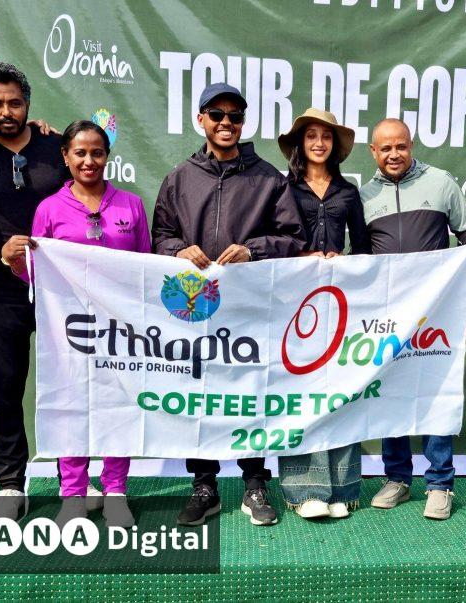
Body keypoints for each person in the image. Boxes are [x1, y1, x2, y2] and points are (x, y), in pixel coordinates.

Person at [152, 82, 306, 527]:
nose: (226, 123)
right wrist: (179, 250)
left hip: (251, 308)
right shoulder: (179, 178)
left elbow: (294, 238)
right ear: (200, 119)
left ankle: (255, 483)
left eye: (235, 116)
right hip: (195, 309)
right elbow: (160, 237)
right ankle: (204, 485)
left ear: (243, 122)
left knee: (250, 394)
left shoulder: (268, 178)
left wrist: (253, 250)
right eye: (217, 115)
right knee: (197, 395)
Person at [1, 120, 149, 529]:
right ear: (65, 157)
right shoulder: (48, 209)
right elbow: (38, 273)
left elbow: (145, 267)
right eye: (80, 153)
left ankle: (115, 490)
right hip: (68, 331)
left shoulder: (131, 205)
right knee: (71, 408)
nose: (89, 160)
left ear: (108, 156)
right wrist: (16, 263)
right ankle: (73, 494)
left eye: (97, 152)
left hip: (120, 331)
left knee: (119, 406)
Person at [361, 118, 466, 520]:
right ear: (373, 151)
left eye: (400, 146)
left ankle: (440, 483)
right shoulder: (364, 196)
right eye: (385, 148)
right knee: (391, 394)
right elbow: (360, 258)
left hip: (437, 312)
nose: (394, 154)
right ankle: (397, 478)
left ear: (411, 145)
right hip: (388, 317)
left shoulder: (440, 182)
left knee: (437, 394)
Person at [0, 61, 71, 521]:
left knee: (71, 388)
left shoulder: (58, 147)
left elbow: (87, 203)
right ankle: (11, 484)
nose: (6, 112)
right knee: (4, 393)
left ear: (28, 103)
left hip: (61, 291)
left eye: (14, 102)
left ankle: (75, 482)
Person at [275, 108, 370, 520]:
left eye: (326, 136)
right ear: (300, 143)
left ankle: (343, 489)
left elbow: (364, 247)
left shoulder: (348, 192)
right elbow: (273, 239)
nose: (319, 143)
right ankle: (305, 491)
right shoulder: (283, 188)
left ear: (335, 145)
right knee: (300, 392)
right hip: (293, 302)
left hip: (338, 302)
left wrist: (345, 262)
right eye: (311, 135)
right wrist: (301, 257)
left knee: (341, 390)